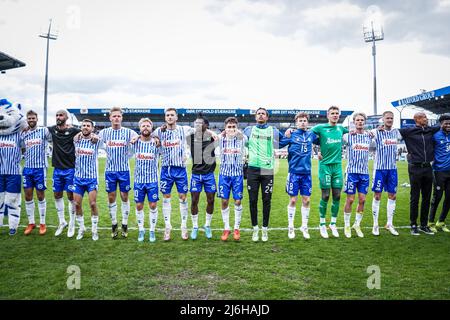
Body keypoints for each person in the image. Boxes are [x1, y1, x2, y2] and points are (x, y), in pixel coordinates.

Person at [153, 108, 194, 241]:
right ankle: (167, 227)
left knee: (183, 197)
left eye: (172, 115)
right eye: (168, 115)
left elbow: (200, 128)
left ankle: (183, 226)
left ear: (176, 117)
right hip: (166, 169)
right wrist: (154, 138)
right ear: (165, 118)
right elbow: (147, 135)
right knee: (166, 197)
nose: (170, 117)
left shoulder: (184, 129)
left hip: (180, 169)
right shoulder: (159, 131)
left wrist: (213, 133)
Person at [243, 107, 284, 242]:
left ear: (267, 117)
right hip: (252, 168)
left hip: (267, 169)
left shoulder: (273, 130)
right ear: (255, 117)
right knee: (252, 200)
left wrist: (290, 134)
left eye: (263, 114)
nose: (260, 115)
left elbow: (283, 141)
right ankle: (255, 229)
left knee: (266, 200)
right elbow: (242, 143)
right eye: (258, 114)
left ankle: (265, 229)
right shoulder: (248, 130)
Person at [98, 107, 138, 239]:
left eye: (118, 116)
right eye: (114, 116)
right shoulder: (104, 133)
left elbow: (139, 138)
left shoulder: (129, 132)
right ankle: (114, 223)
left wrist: (131, 150)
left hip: (124, 170)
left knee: (124, 196)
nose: (116, 118)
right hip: (109, 170)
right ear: (110, 118)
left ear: (121, 118)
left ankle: (125, 224)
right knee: (111, 197)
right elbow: (93, 139)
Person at [398, 112, 440, 235]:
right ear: (416, 119)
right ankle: (413, 225)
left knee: (427, 198)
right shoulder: (408, 131)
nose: (426, 119)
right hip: (415, 168)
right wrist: (379, 128)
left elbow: (443, 124)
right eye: (423, 117)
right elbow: (390, 131)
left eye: (426, 117)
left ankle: (423, 225)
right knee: (415, 198)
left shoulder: (430, 130)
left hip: (428, 168)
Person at [311, 106, 348, 238]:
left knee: (337, 195)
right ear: (328, 115)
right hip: (325, 166)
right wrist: (317, 151)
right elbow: (308, 135)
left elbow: (356, 132)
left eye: (337, 113)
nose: (335, 115)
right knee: (326, 195)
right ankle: (322, 224)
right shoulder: (320, 128)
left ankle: (333, 223)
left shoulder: (341, 129)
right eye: (332, 113)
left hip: (337, 166)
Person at [282, 112, 318, 240]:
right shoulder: (291, 134)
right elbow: (278, 142)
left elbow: (324, 139)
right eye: (300, 120)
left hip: (306, 173)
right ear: (296, 122)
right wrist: (286, 131)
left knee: (306, 200)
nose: (302, 122)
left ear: (307, 122)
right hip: (294, 173)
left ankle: (304, 226)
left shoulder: (311, 135)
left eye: (304, 120)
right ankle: (291, 226)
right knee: (292, 200)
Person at [48, 110, 81, 237]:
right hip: (57, 169)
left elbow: (87, 132)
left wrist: (93, 136)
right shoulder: (52, 129)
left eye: (61, 115)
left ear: (66, 118)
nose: (58, 117)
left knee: (70, 196)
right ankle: (62, 222)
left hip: (70, 169)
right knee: (57, 195)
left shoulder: (73, 130)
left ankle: (72, 224)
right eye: (56, 115)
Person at [187, 114, 218, 240]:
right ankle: (195, 227)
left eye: (200, 123)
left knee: (211, 200)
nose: (197, 126)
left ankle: (207, 225)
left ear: (206, 125)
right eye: (196, 124)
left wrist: (211, 132)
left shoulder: (212, 138)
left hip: (209, 175)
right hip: (196, 175)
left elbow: (225, 136)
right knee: (194, 201)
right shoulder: (191, 137)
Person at [370, 111, 401, 236]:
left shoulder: (396, 132)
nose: (389, 120)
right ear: (383, 119)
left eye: (391, 118)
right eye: (387, 118)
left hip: (392, 169)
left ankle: (389, 223)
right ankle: (375, 224)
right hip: (379, 169)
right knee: (377, 196)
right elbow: (366, 135)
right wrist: (375, 129)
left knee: (392, 196)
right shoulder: (377, 132)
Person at [22, 110, 52, 236]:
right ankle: (31, 222)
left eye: (33, 118)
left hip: (40, 169)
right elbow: (21, 147)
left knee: (40, 195)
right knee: (28, 195)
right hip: (27, 168)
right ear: (27, 119)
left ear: (37, 119)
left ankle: (43, 223)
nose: (31, 120)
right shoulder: (24, 134)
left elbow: (55, 137)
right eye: (29, 118)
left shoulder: (44, 131)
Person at [342, 113, 371, 238]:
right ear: (354, 122)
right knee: (350, 199)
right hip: (351, 172)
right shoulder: (348, 136)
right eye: (357, 120)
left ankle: (357, 224)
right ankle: (347, 225)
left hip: (364, 173)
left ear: (365, 122)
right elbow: (337, 132)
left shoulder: (369, 136)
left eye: (362, 120)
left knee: (362, 200)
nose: (360, 122)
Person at [217, 117, 246, 241]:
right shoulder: (220, 139)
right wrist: (221, 133)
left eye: (234, 127)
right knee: (224, 201)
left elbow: (245, 137)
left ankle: (236, 228)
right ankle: (226, 227)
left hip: (237, 175)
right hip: (224, 175)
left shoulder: (242, 139)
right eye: (229, 127)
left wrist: (238, 132)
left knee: (238, 201)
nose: (231, 129)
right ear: (225, 128)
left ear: (237, 128)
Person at [131, 118, 160, 242]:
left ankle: (152, 230)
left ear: (151, 128)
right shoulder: (135, 143)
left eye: (148, 126)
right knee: (139, 205)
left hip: (152, 180)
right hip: (139, 181)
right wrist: (136, 137)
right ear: (140, 128)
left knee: (153, 205)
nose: (146, 128)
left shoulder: (156, 144)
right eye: (143, 126)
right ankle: (141, 229)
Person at [72, 119, 101, 241]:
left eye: (88, 126)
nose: (85, 127)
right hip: (78, 178)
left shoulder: (96, 141)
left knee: (93, 204)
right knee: (77, 204)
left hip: (91, 179)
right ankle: (82, 228)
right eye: (83, 125)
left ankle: (94, 230)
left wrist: (96, 136)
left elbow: (106, 144)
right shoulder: (76, 140)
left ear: (92, 128)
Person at [428, 113, 450, 233]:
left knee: (449, 198)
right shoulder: (435, 136)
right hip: (438, 171)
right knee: (437, 197)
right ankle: (430, 222)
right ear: (441, 124)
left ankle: (441, 222)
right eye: (446, 123)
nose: (448, 125)